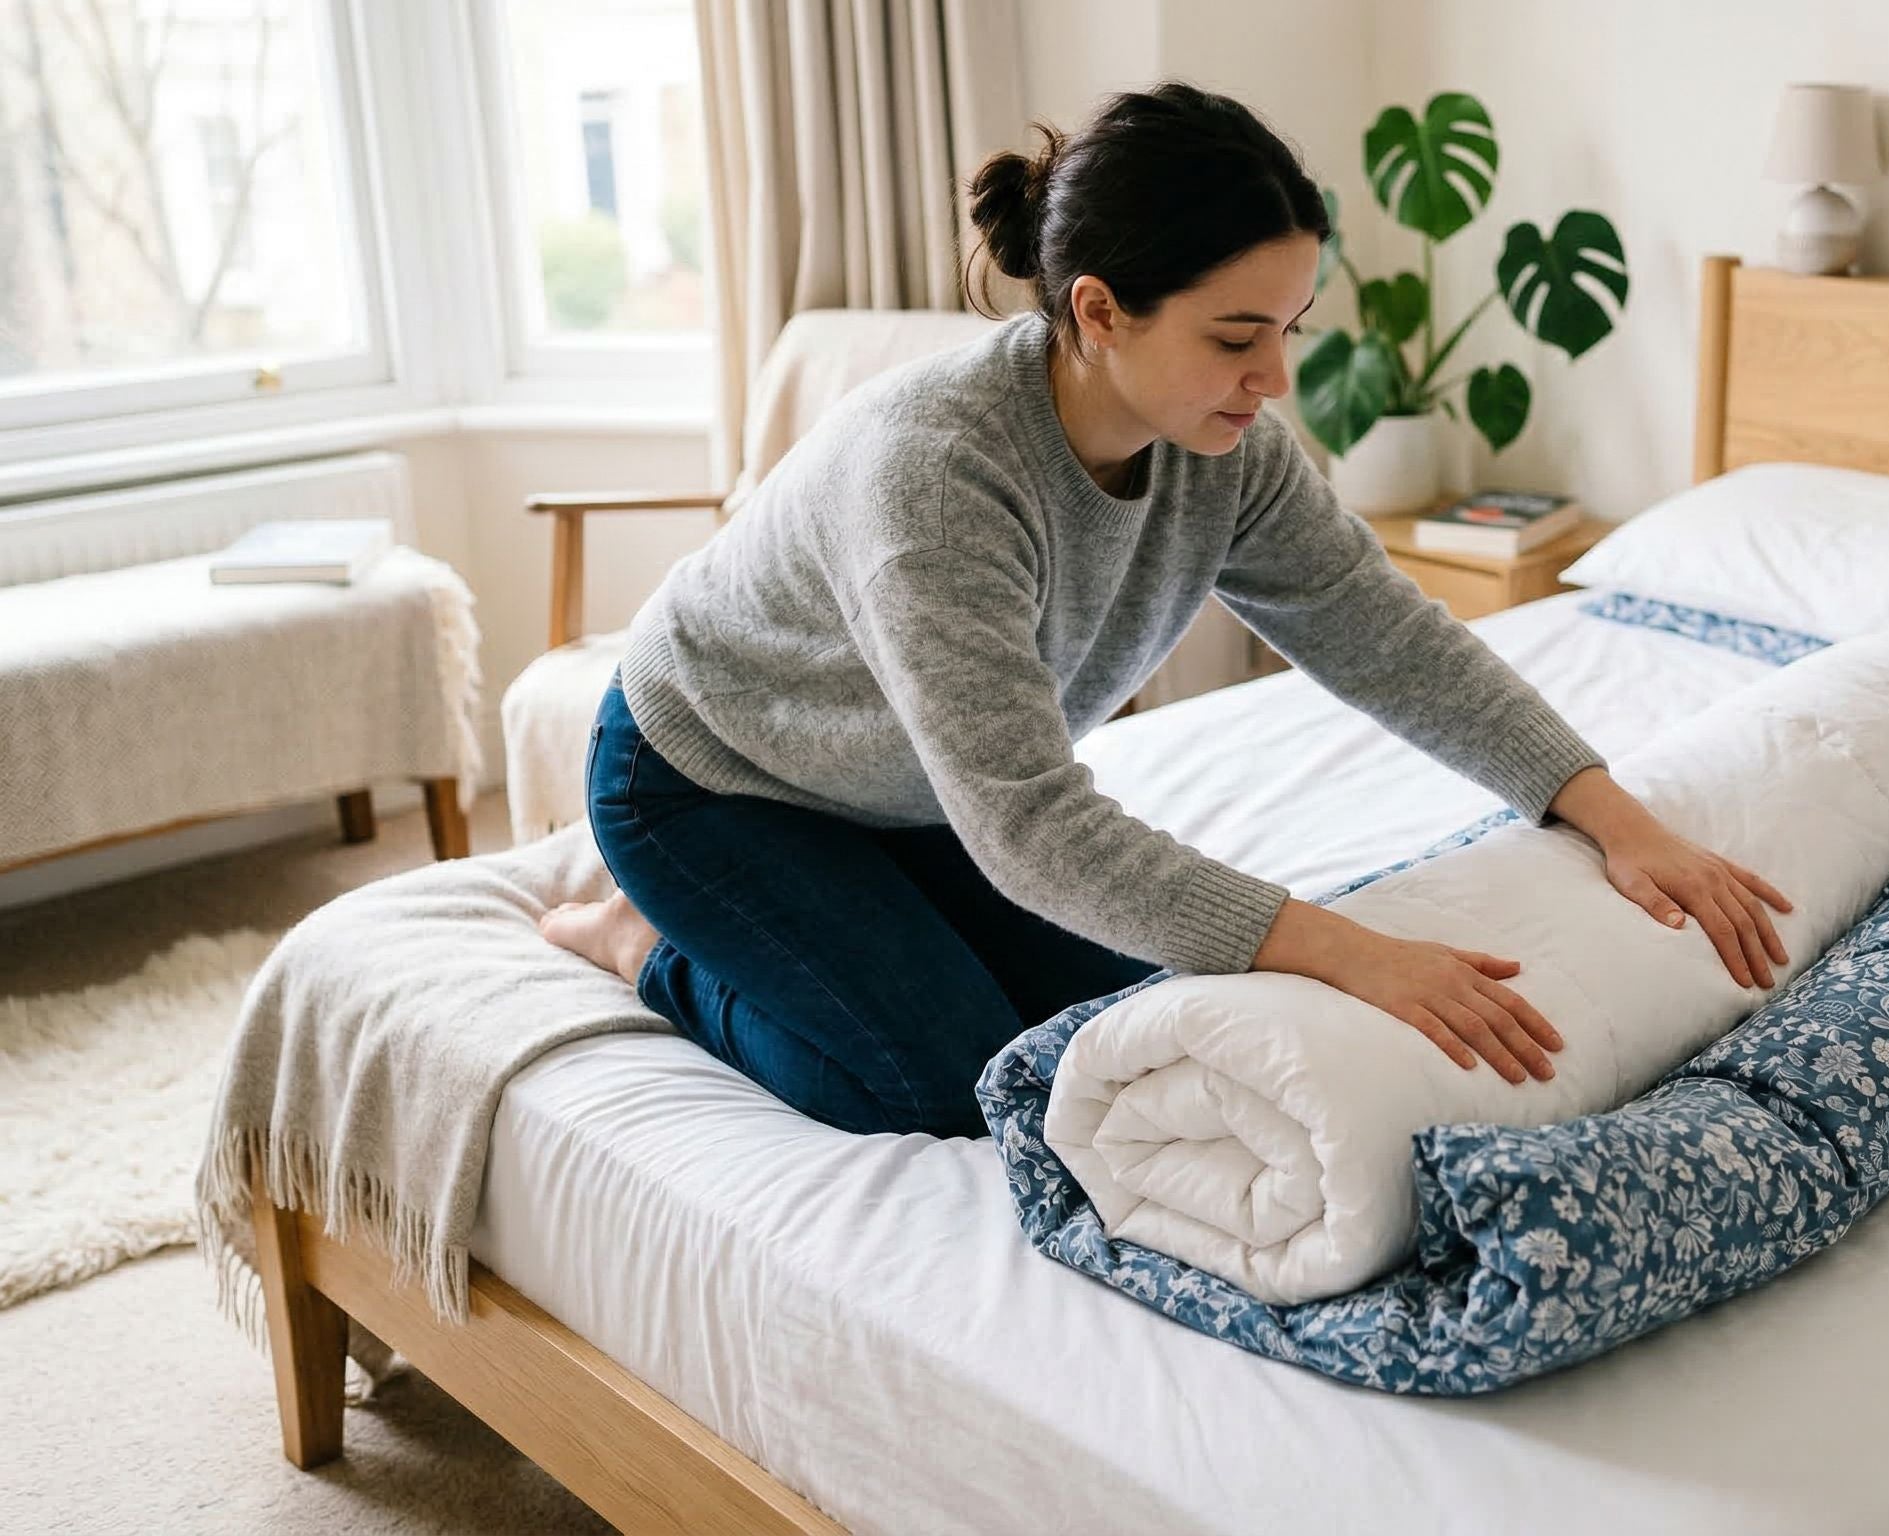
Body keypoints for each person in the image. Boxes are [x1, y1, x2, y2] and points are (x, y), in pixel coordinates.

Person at [539, 82, 1792, 1137]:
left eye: (1291, 328)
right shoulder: (935, 472)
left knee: (1117, 1027)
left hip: (910, 789)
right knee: (938, 1085)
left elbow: (1387, 638)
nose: (1277, 377)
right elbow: (1031, 826)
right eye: (1237, 334)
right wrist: (1349, 947)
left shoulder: (1226, 446)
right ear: (1097, 310)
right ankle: (637, 944)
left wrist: (1610, 816)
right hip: (711, 777)